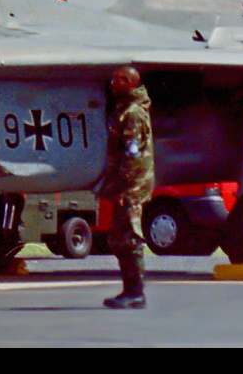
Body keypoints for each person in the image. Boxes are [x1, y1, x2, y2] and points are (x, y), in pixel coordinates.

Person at [97, 65, 153, 310]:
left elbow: (132, 155)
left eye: (119, 80)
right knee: (118, 239)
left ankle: (136, 292)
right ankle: (130, 290)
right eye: (113, 79)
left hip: (131, 186)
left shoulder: (132, 113)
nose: (113, 84)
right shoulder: (125, 110)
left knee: (129, 239)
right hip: (125, 185)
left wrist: (123, 188)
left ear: (131, 83)